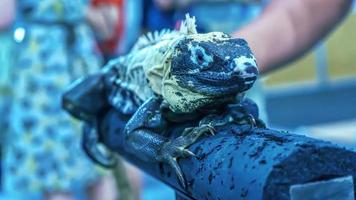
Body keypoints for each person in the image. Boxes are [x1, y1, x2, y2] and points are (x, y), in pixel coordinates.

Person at [1, 1, 117, 199]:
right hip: (81, 57)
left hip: (41, 68)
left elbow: (4, 17)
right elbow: (109, 25)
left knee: (54, 174)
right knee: (97, 164)